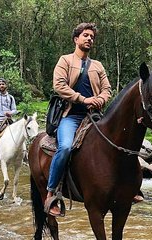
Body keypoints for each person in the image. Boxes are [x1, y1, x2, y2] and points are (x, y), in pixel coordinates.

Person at [45, 23, 112, 216]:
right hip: (72, 116)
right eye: (85, 35)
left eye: (92, 36)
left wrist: (100, 99)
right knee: (65, 147)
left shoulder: (98, 65)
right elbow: (59, 85)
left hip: (96, 117)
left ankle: (129, 187)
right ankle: (51, 193)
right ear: (76, 39)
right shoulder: (65, 60)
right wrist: (83, 99)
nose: (89, 38)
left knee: (119, 139)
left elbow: (107, 89)